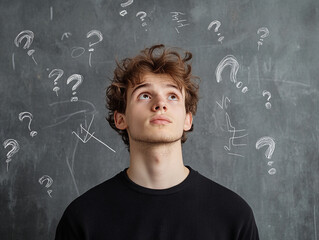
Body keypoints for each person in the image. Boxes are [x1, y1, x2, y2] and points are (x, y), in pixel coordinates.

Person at [55, 44, 259, 240]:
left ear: (188, 119)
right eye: (144, 95)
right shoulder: (83, 218)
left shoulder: (234, 216)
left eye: (172, 96)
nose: (160, 104)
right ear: (121, 119)